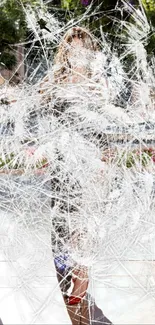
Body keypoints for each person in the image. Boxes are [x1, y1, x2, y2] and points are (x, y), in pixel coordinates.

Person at [41, 26, 112, 325]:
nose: (77, 54)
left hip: (89, 170)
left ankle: (81, 307)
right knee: (63, 247)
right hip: (61, 171)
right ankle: (76, 310)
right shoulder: (53, 81)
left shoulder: (98, 83)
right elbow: (39, 117)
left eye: (83, 49)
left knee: (83, 244)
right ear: (65, 53)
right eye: (72, 49)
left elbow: (106, 127)